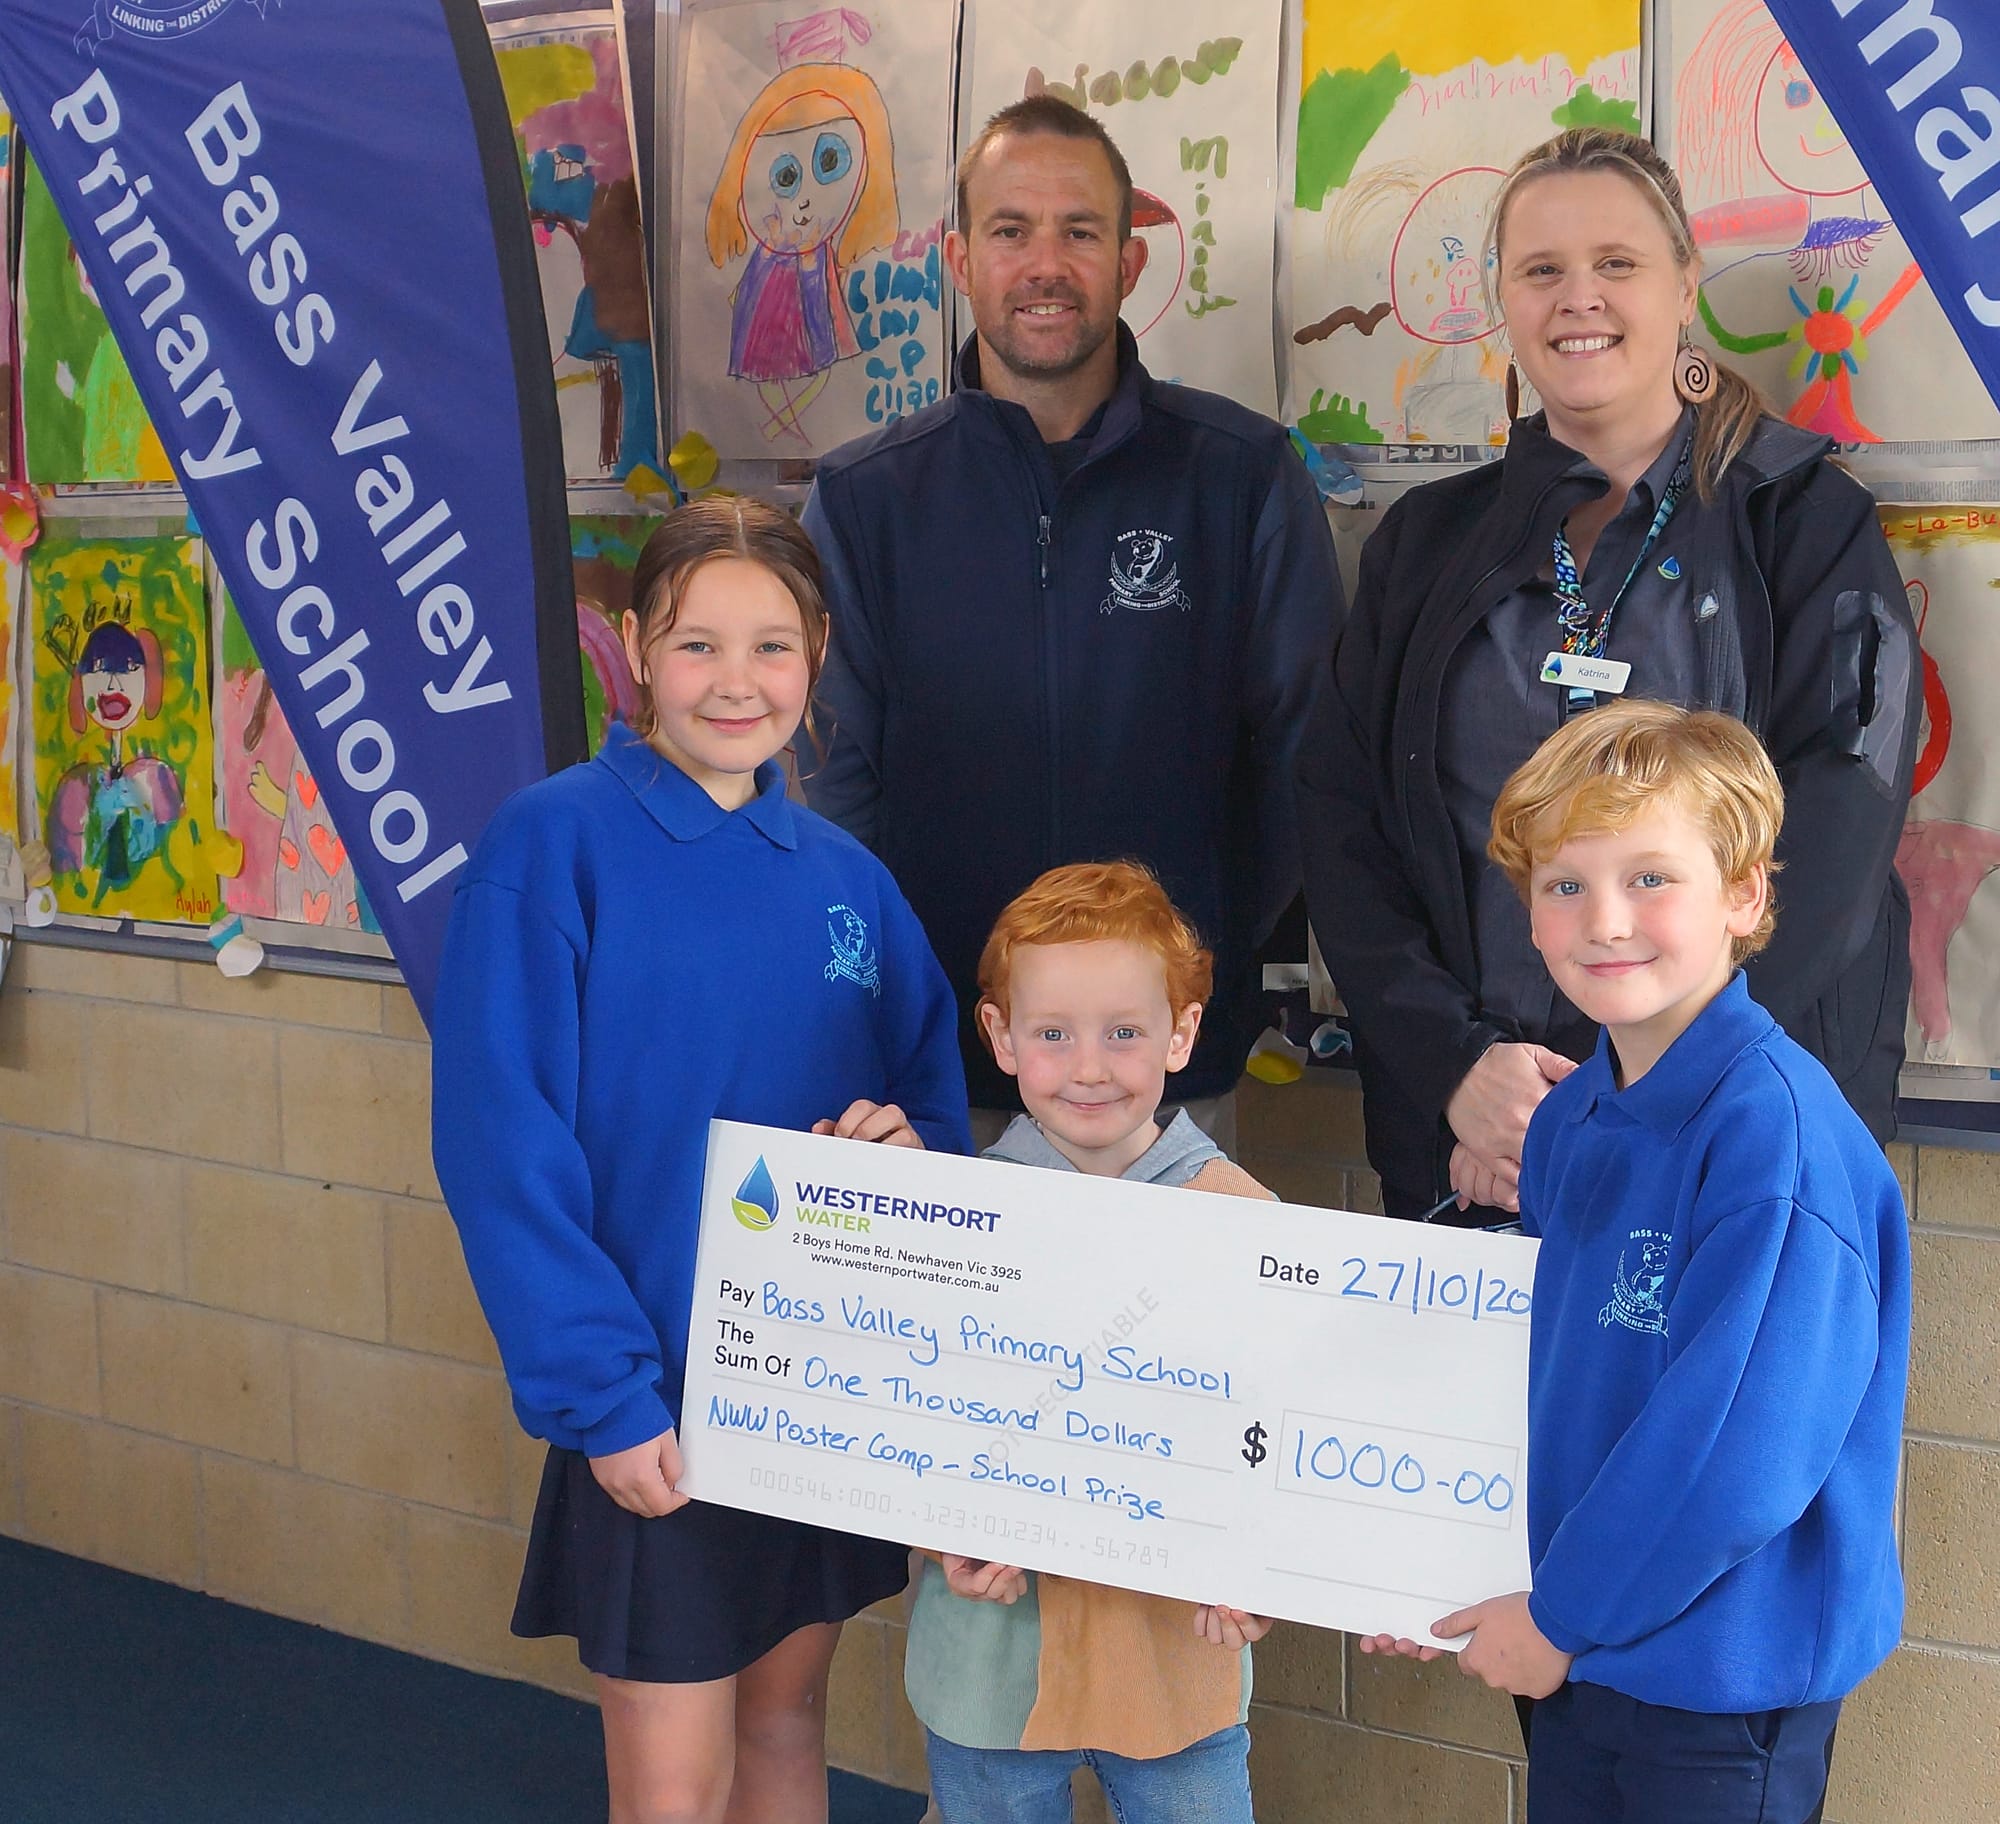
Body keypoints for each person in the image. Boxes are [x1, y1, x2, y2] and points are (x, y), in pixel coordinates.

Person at [429, 498, 972, 1824]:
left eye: (772, 647)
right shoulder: (551, 848)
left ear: (820, 652)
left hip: (812, 1401)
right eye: (696, 645)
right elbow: (502, 1138)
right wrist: (602, 1392)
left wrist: (906, 1157)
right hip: (658, 1410)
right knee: (673, 1787)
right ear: (632, 648)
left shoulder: (851, 882)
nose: (737, 683)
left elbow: (936, 1123)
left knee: (787, 1726)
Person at [1297, 126, 1918, 1223]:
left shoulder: (1803, 525)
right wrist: (1455, 1068)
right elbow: (1344, 821)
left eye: (1615, 264)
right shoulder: (1422, 544)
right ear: (1501, 299)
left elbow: (1838, 831)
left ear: (1683, 285)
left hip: (1724, 1128)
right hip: (1480, 1133)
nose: (1576, 297)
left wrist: (1653, 1083)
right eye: (1541, 270)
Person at [1361, 700, 1908, 1822]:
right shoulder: (1570, 1119)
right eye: (1563, 884)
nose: (1603, 919)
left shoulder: (1773, 1146)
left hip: (1717, 1684)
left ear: (1745, 895)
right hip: (1585, 1646)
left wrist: (1557, 1619)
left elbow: (1727, 1456)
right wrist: (1424, 1569)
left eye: (1649, 878)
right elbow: (1533, 1383)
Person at [801, 94, 1343, 1150]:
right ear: (959, 260)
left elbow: (1305, 761)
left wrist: (1186, 955)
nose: (1043, 264)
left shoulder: (1238, 478)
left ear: (1128, 263)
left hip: (1161, 1081)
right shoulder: (865, 501)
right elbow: (831, 787)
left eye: (1078, 232)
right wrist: (895, 1003)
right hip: (937, 1072)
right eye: (1010, 231)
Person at [906, 859, 1272, 1822]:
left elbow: (1275, 1442)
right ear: (1001, 1037)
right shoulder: (952, 1224)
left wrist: (1260, 1564)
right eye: (1054, 1034)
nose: (1092, 1067)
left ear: (1182, 1033)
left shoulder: (1253, 1226)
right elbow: (901, 1419)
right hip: (990, 1664)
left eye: (1124, 1032)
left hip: (1174, 1665)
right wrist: (939, 1527)